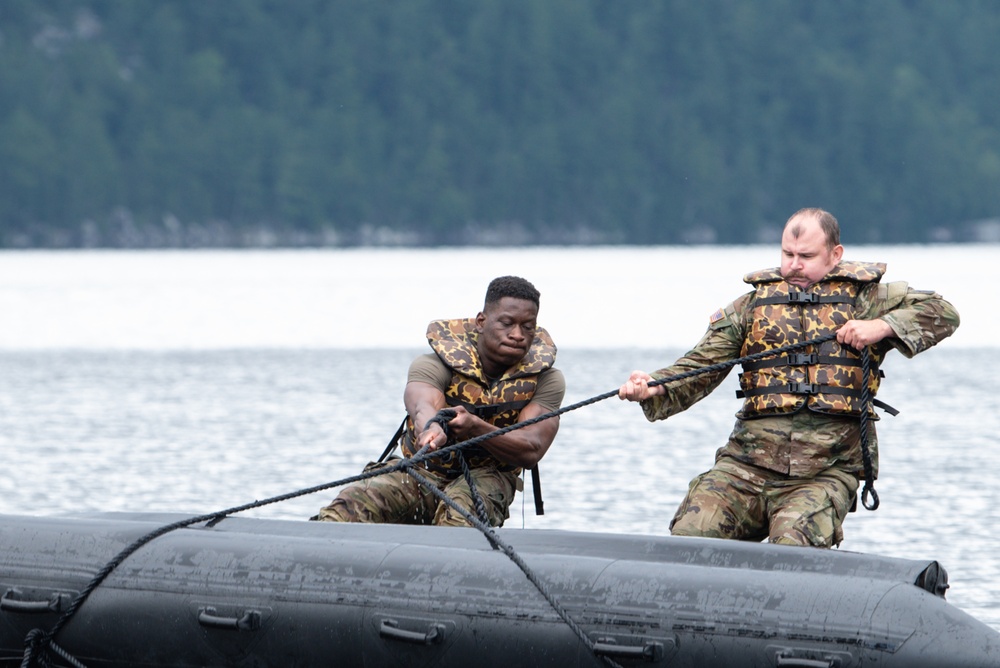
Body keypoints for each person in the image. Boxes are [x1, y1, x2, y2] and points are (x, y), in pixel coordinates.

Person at [618, 208, 960, 548]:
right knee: (690, 535)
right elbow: (701, 364)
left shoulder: (868, 300)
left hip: (824, 473)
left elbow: (943, 313)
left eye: (806, 256)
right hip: (745, 466)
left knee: (791, 545)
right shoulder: (751, 307)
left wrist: (880, 327)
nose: (794, 265)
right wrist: (654, 386)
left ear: (834, 255)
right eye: (788, 254)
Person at [315, 275, 565, 527]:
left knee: (460, 517)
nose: (518, 335)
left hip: (488, 479)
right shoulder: (436, 363)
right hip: (422, 472)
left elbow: (531, 448)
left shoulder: (546, 379)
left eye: (528, 327)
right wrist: (432, 427)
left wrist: (476, 427)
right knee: (349, 506)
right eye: (507, 323)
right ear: (482, 321)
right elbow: (422, 403)